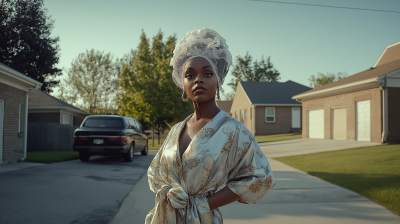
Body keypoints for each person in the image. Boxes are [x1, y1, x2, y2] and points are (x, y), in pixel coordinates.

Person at [146, 28, 275, 224]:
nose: (198, 79)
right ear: (183, 84)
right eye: (190, 75)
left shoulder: (232, 130)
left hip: (201, 218)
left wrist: (205, 203)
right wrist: (168, 192)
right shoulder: (176, 130)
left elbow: (261, 177)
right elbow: (155, 172)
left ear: (219, 80)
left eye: (207, 73)